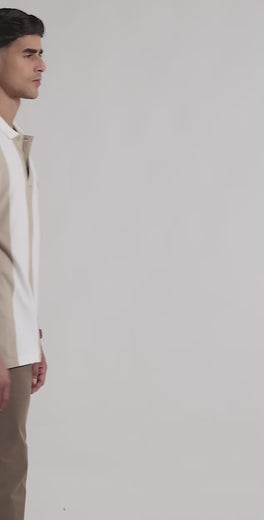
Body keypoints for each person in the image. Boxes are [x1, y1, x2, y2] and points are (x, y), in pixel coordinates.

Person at [0, 8, 48, 520]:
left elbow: (12, 255)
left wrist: (31, 334)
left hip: (14, 341)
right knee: (5, 473)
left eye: (41, 54)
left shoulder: (12, 143)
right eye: (28, 54)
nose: (41, 66)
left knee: (9, 466)